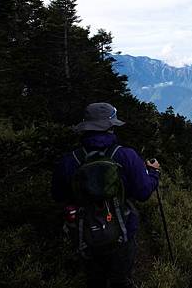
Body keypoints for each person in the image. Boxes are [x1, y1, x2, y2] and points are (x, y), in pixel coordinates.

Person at [52, 102, 160, 288]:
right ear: (111, 126)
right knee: (121, 280)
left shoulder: (70, 160)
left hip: (85, 234)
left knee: (94, 281)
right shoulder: (126, 156)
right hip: (122, 233)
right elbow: (143, 192)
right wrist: (154, 173)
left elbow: (58, 195)